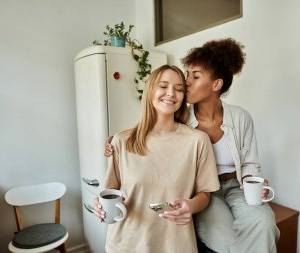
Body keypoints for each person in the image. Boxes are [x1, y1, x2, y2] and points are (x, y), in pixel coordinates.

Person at [104, 38, 280, 253]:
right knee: (226, 239)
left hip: (235, 186)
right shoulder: (182, 120)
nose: (186, 83)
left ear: (216, 84)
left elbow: (251, 162)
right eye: (187, 75)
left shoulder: (240, 118)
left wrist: (253, 182)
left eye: (194, 77)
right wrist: (118, 140)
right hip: (205, 192)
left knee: (265, 223)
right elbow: (155, 129)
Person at [93, 65, 220, 253]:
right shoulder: (122, 140)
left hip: (176, 245)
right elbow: (110, 190)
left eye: (178, 89)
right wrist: (100, 204)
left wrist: (191, 205)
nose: (171, 93)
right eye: (163, 86)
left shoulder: (198, 141)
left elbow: (205, 194)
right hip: (126, 243)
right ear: (150, 90)